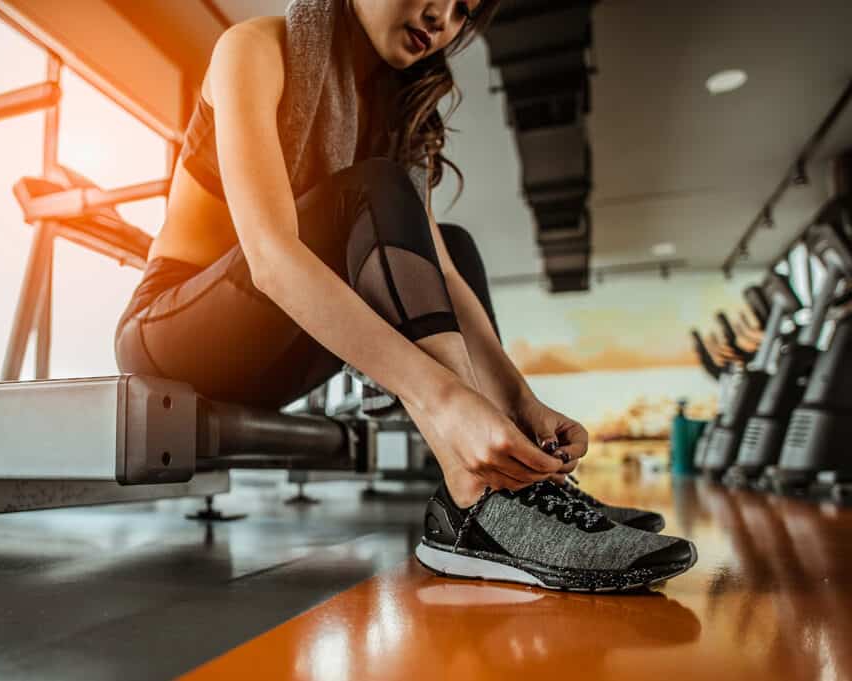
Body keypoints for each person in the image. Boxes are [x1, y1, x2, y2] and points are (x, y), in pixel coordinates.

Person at [115, 0, 697, 591]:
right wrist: (442, 401)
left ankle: (508, 491)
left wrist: (518, 405)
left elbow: (440, 270)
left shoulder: (400, 110)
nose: (441, 16)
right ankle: (478, 495)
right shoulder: (255, 49)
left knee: (453, 243)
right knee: (371, 188)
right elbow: (271, 259)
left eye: (463, 9)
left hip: (278, 350)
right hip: (174, 336)